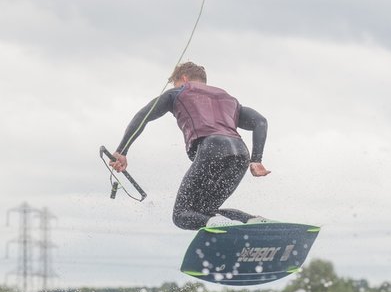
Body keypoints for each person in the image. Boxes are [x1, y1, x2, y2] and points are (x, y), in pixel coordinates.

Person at [109, 62, 271, 230]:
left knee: (181, 215)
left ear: (184, 79)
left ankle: (219, 223)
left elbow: (143, 116)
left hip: (212, 148)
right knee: (205, 211)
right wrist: (256, 159)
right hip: (241, 155)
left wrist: (122, 150)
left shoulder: (179, 92)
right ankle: (252, 222)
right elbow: (260, 122)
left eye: (175, 83)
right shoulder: (229, 99)